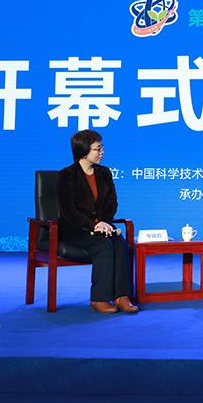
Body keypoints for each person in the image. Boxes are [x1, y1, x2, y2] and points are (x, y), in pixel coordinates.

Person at [56, 130, 138, 314]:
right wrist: (94, 224)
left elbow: (112, 203)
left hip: (102, 226)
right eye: (97, 149)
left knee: (121, 245)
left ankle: (121, 296)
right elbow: (68, 210)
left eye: (102, 148)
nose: (102, 152)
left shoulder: (104, 173)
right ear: (84, 151)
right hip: (76, 229)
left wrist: (103, 222)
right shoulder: (66, 175)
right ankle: (99, 299)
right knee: (103, 246)